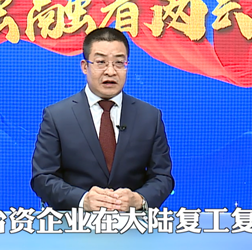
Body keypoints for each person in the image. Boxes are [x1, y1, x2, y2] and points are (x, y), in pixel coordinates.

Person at [31, 27, 173, 211]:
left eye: (119, 63)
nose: (111, 71)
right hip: (75, 223)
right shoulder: (57, 116)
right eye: (101, 62)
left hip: (132, 223)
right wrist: (82, 200)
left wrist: (139, 199)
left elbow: (163, 177)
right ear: (85, 66)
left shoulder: (150, 117)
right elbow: (42, 177)